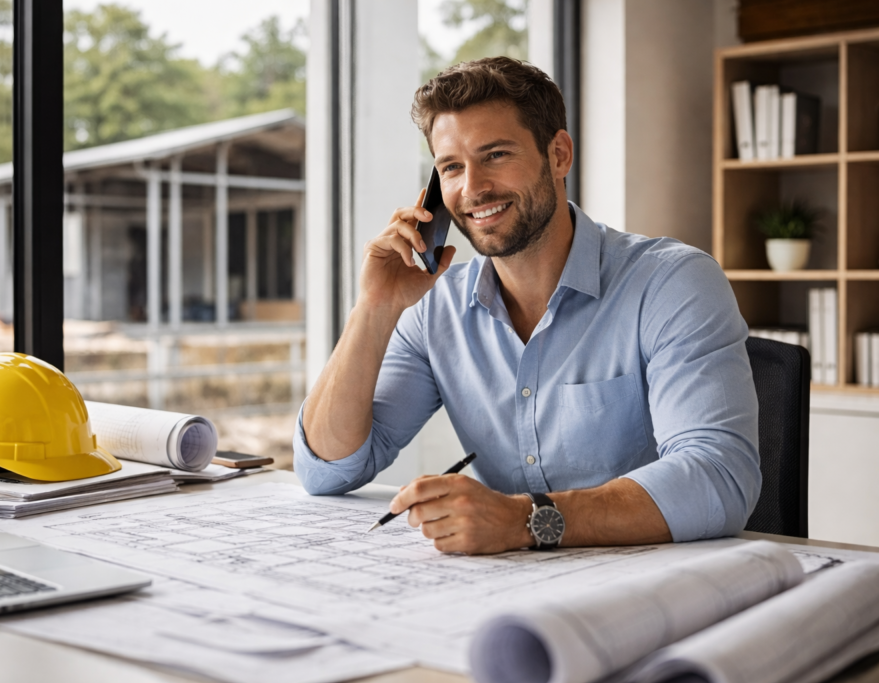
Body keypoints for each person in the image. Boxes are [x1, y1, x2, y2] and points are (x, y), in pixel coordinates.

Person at [293, 56, 760, 555]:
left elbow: (719, 477)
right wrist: (375, 307)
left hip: (657, 588)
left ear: (559, 155)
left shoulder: (671, 282)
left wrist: (525, 520)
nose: (471, 189)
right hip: (511, 586)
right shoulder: (437, 309)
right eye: (451, 167)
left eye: (495, 155)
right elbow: (327, 469)